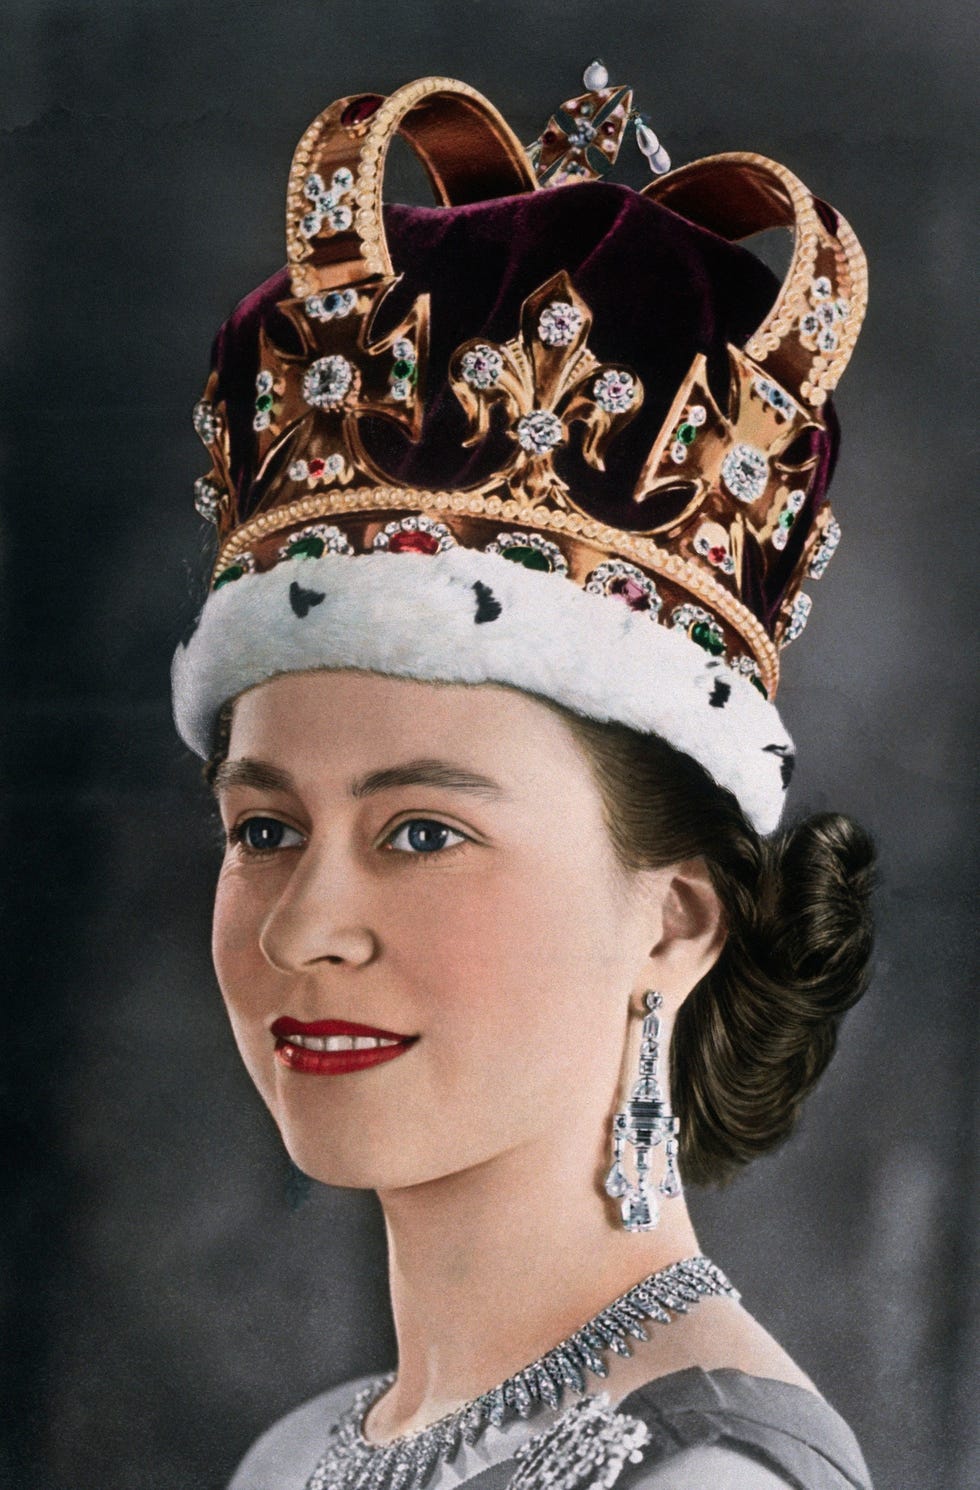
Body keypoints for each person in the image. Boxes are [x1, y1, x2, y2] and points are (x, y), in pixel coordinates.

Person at [173, 68, 876, 1490]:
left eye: (423, 830)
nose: (301, 931)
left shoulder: (704, 1479)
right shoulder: (297, 1456)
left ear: (675, 918)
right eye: (265, 828)